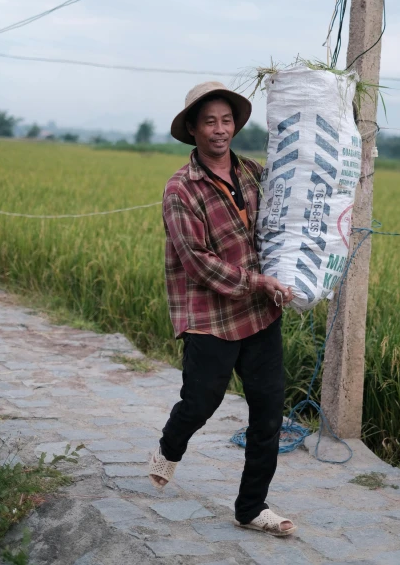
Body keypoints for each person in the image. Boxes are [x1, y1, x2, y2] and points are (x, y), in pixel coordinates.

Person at [148, 81, 297, 536]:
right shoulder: (181, 190)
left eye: (227, 120)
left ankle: (251, 507)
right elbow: (198, 263)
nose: (219, 129)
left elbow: (284, 219)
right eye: (209, 121)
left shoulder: (253, 174)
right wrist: (259, 281)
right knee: (200, 402)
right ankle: (170, 446)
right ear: (192, 129)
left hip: (259, 313)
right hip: (209, 315)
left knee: (269, 411)